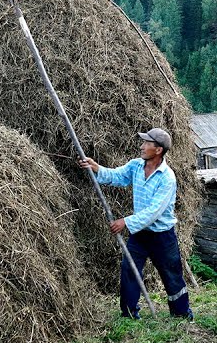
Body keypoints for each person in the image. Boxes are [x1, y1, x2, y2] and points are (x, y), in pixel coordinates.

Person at [78, 128, 192, 319]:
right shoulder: (136, 166)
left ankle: (181, 314)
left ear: (158, 150)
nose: (142, 146)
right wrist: (96, 168)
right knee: (129, 270)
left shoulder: (167, 178)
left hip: (162, 236)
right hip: (139, 235)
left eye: (146, 144)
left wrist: (125, 222)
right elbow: (117, 176)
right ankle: (129, 314)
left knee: (171, 275)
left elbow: (153, 213)